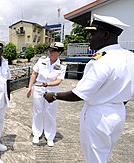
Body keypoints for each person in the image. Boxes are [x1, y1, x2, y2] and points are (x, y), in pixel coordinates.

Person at [43, 14, 134, 163]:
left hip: (99, 116)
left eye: (93, 33)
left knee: (95, 158)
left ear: (105, 35)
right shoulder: (130, 56)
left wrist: (53, 96)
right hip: (119, 112)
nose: (88, 38)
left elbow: (79, 94)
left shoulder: (101, 60)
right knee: (104, 154)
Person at [26, 42, 66, 147]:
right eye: (50, 50)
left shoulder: (62, 66)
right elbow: (34, 73)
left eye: (54, 51)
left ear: (59, 53)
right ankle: (37, 134)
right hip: (39, 88)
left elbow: (59, 80)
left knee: (50, 113)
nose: (51, 53)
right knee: (38, 111)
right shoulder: (42, 60)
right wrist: (30, 87)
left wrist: (47, 84)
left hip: (52, 90)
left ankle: (50, 136)